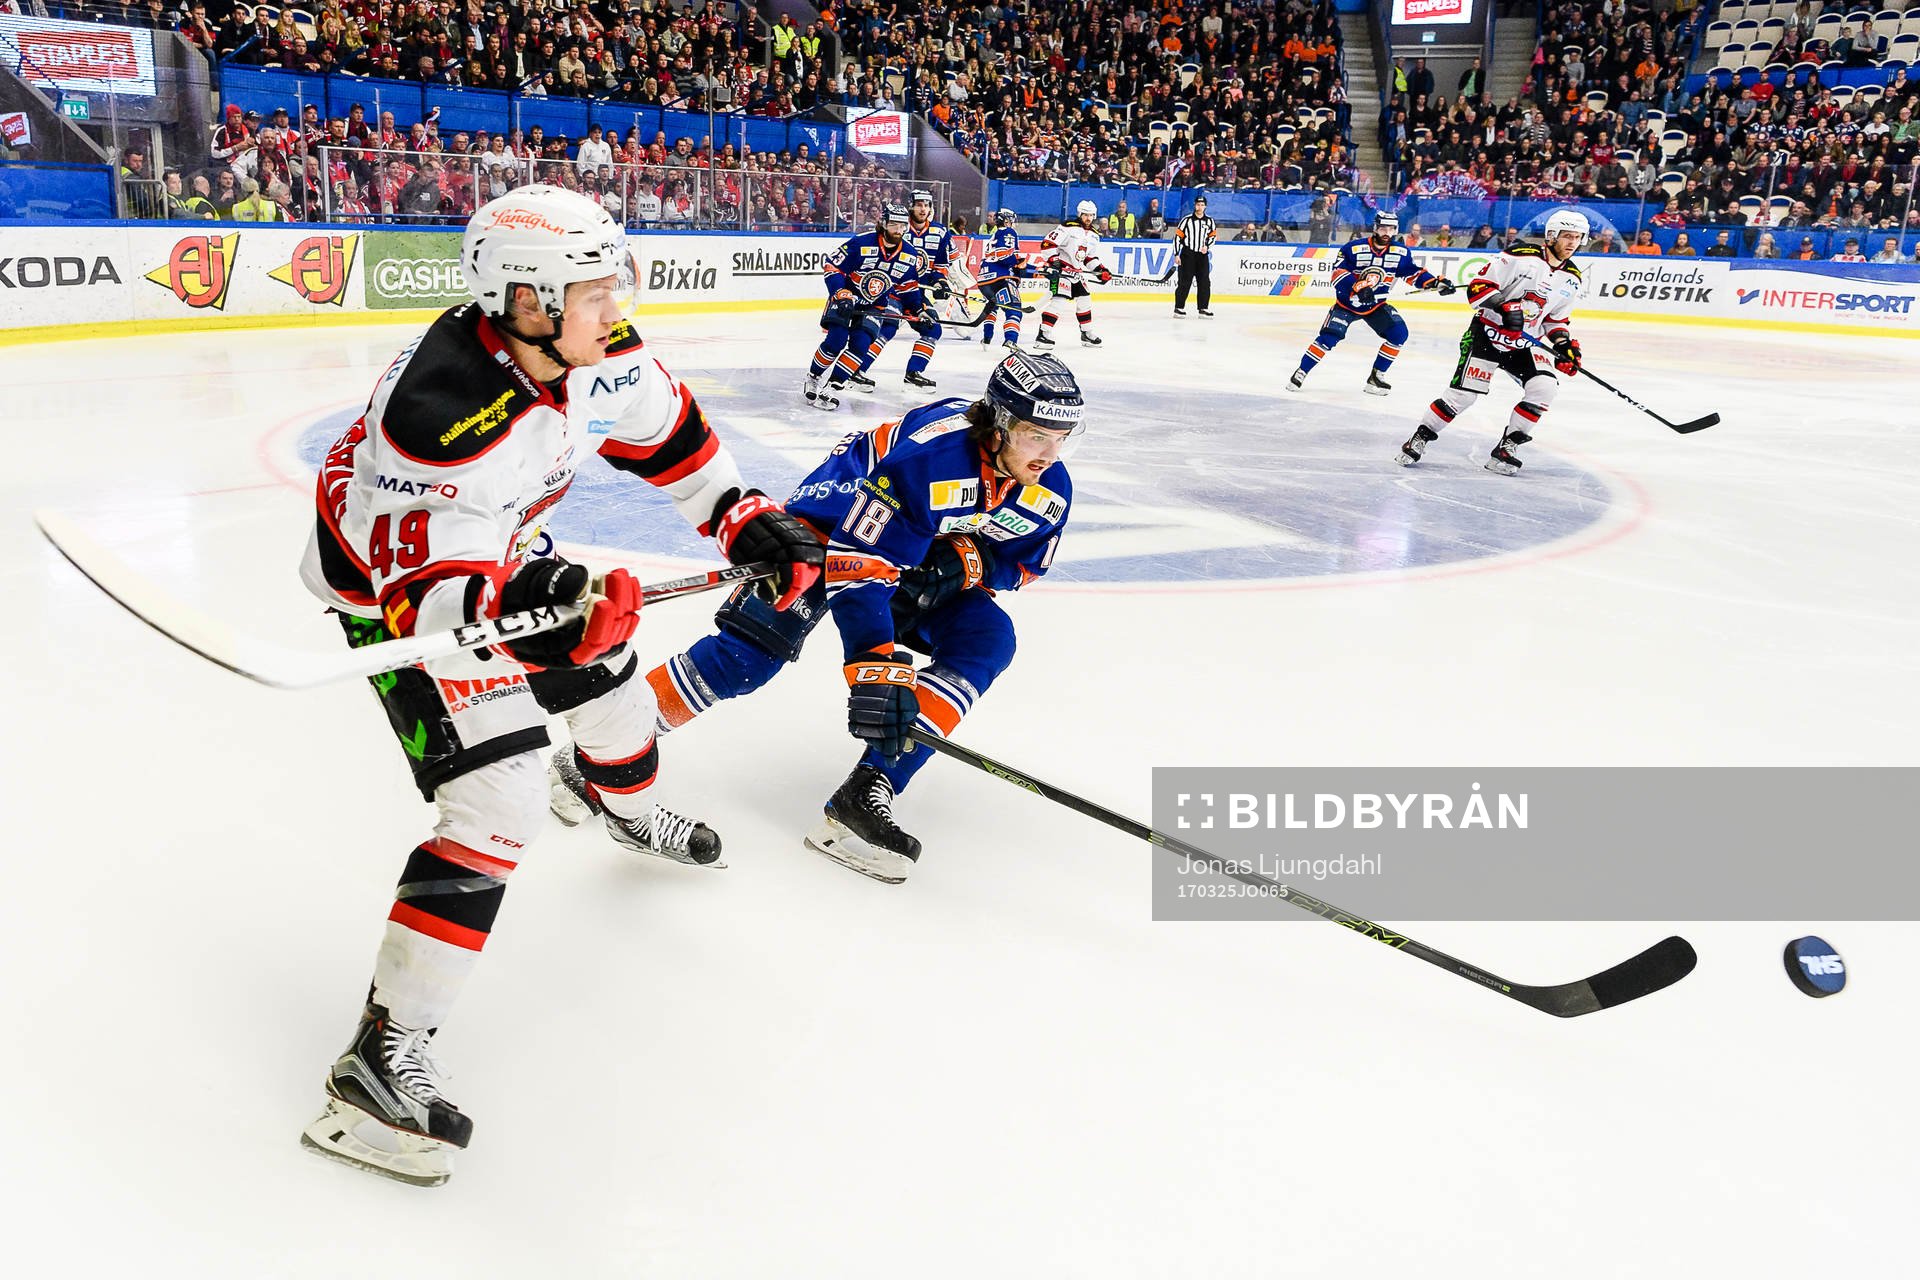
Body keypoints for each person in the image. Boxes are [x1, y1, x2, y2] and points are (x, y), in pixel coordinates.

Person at [296, 185, 824, 1186]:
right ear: (527, 302)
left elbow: (669, 438)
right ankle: (377, 1060)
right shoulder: (440, 412)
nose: (615, 305)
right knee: (497, 800)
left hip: (500, 553)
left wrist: (740, 513)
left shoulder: (591, 347)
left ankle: (629, 813)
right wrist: (549, 592)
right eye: (593, 289)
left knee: (615, 692)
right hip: (397, 590)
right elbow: (432, 604)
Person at [637, 351, 1082, 883]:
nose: (1051, 454)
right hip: (828, 528)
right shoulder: (932, 457)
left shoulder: (1050, 486)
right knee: (746, 656)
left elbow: (1024, 562)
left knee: (987, 638)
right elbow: (859, 565)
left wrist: (967, 562)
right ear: (1000, 424)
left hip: (910, 552)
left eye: (1064, 438)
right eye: (1037, 435)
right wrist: (875, 670)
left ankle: (867, 790)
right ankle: (614, 746)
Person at [1397, 209, 1588, 476]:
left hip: (1524, 343)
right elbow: (1479, 287)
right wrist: (1503, 306)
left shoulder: (1572, 278)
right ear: (1552, 235)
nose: (1572, 243)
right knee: (1463, 396)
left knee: (1545, 388)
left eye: (1578, 238)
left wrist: (1564, 346)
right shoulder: (1519, 257)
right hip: (1487, 334)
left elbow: (1555, 320)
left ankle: (1507, 446)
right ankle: (1420, 436)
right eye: (1567, 236)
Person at [1289, 210, 1456, 396]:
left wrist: (1435, 282)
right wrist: (1358, 287)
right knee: (1329, 338)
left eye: (1391, 229)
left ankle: (1376, 377)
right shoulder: (1353, 248)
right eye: (1383, 228)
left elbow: (1412, 273)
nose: (1387, 232)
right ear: (1375, 228)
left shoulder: (1400, 252)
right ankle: (1302, 371)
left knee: (1399, 334)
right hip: (1347, 304)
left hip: (1376, 305)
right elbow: (1337, 274)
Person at [803, 204, 931, 411]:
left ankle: (832, 388)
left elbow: (909, 288)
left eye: (902, 226)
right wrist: (840, 293)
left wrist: (919, 310)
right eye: (893, 225)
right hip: (846, 300)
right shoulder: (861, 243)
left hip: (875, 305)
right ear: (883, 223)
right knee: (835, 340)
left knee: (860, 345)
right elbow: (832, 266)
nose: (898, 231)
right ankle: (813, 377)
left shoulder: (909, 254)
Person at [1035, 199, 1114, 347]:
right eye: (1085, 215)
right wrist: (1054, 261)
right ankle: (1043, 334)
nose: (1088, 218)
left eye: (1091, 215)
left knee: (1085, 301)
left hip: (1076, 274)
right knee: (1059, 302)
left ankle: (1086, 333)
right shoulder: (1067, 227)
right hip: (1063, 272)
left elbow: (1088, 258)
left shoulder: (1094, 235)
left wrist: (1100, 270)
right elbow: (1047, 244)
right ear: (1080, 214)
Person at [977, 206, 1030, 348]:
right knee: (1014, 308)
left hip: (984, 281)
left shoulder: (994, 236)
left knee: (993, 306)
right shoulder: (1008, 232)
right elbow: (1005, 256)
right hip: (1000, 279)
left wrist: (1021, 266)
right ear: (1006, 221)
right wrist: (1020, 264)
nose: (1012, 224)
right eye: (1011, 221)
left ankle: (987, 338)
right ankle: (1011, 340)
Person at [1173, 194, 1218, 317]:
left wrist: (1207, 246)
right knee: (1184, 281)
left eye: (1202, 205)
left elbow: (1213, 236)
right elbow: (1177, 238)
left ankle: (1203, 308)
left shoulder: (1209, 221)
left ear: (1205, 206)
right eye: (1198, 204)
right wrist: (1177, 254)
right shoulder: (1186, 220)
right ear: (1194, 205)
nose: (1200, 207)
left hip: (1202, 256)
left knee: (1204, 282)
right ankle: (1179, 307)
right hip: (1188, 255)